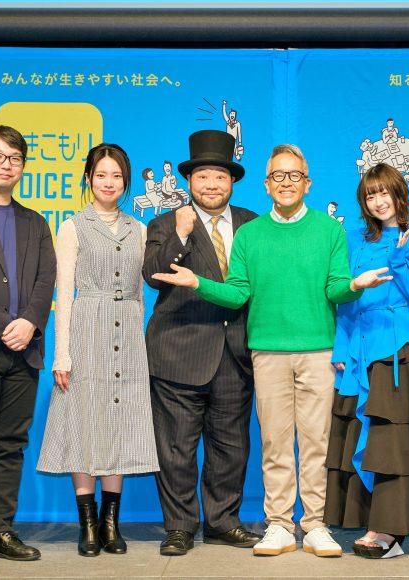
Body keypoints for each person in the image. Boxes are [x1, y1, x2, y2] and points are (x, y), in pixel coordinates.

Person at [152, 144, 391, 559]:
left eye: (294, 175)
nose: (286, 182)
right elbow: (237, 293)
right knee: (275, 443)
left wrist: (355, 285)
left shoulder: (329, 231)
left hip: (317, 352)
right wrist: (197, 283)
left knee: (316, 442)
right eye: (278, 176)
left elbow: (336, 287)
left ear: (307, 183)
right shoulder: (251, 234)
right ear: (266, 185)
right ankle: (279, 523)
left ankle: (314, 524)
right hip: (265, 353)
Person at [37, 143, 159, 557]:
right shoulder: (73, 227)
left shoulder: (139, 229)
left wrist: (138, 341)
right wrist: (62, 354)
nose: (109, 183)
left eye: (117, 176)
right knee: (84, 421)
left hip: (129, 336)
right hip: (87, 329)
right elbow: (64, 294)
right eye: (101, 175)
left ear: (126, 182)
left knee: (119, 421)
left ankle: (111, 523)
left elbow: (140, 295)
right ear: (88, 178)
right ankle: (87, 524)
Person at [143, 130, 259, 557]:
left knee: (231, 448)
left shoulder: (252, 224)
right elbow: (152, 275)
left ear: (232, 182)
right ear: (189, 180)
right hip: (179, 351)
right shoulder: (164, 223)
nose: (212, 185)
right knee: (176, 448)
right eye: (204, 176)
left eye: (220, 176)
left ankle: (223, 522)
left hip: (236, 353)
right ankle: (179, 526)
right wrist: (180, 234)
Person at [324, 163, 409, 559]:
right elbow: (345, 298)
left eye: (384, 193)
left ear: (399, 195)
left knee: (392, 443)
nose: (378, 202)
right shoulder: (354, 240)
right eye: (370, 195)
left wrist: (400, 258)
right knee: (362, 438)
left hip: (398, 351)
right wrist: (341, 348)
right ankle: (369, 520)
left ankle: (390, 529)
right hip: (359, 350)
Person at [0, 125, 56, 568]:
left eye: (15, 158)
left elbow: (46, 279)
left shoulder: (35, 222)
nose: (6, 165)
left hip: (24, 352)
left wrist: (29, 323)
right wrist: (5, 325)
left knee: (9, 444)